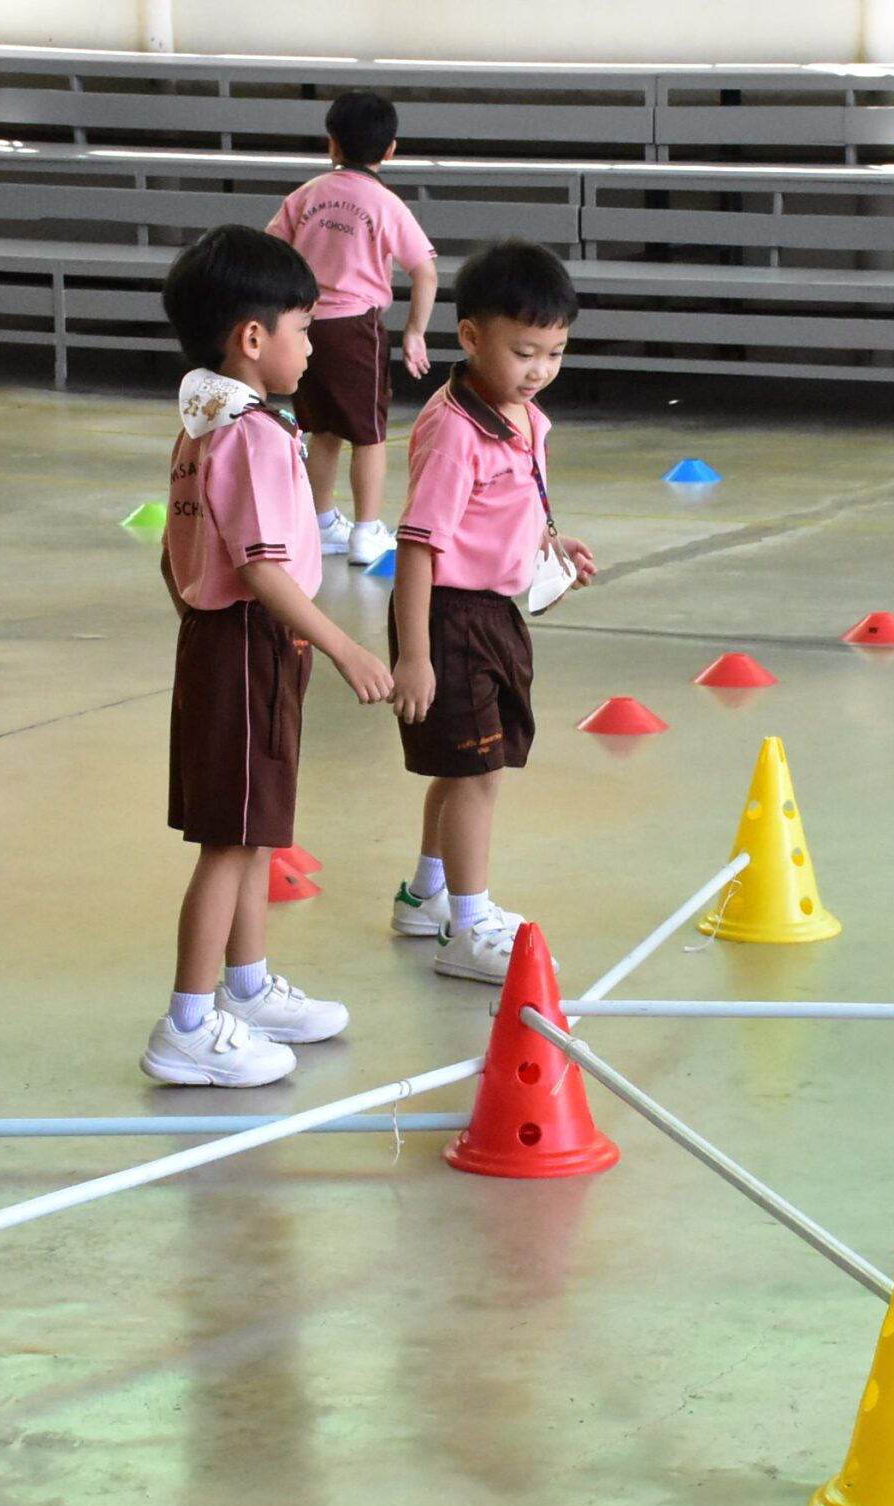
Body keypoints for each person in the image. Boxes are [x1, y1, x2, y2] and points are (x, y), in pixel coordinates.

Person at [143, 226, 395, 1086]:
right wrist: (344, 646)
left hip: (229, 640)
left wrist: (204, 621)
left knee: (252, 833)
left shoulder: (202, 422)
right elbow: (260, 567)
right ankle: (186, 1023)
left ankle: (245, 989)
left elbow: (174, 556)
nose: (313, 345)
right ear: (253, 338)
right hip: (250, 641)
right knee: (229, 841)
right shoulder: (249, 433)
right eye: (304, 328)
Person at [386, 241, 596, 983]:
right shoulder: (455, 432)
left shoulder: (522, 416)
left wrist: (548, 545)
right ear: (471, 336)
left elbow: (506, 509)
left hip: (493, 611)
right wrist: (415, 654)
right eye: (524, 352)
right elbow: (418, 546)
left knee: (469, 764)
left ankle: (428, 896)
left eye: (555, 353)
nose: (540, 370)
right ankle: (468, 928)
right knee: (476, 773)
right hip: (450, 619)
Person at [266, 92, 440, 571]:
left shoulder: (306, 195)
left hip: (302, 328)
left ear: (332, 143)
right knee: (369, 434)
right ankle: (366, 531)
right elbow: (424, 271)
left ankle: (321, 523)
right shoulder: (386, 204)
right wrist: (415, 332)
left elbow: (270, 253)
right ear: (390, 150)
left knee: (320, 428)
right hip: (356, 330)